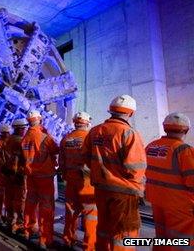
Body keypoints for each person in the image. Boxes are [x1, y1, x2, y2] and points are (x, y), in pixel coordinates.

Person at [82, 94, 146, 251]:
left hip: (101, 189)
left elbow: (85, 157)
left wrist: (101, 172)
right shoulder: (129, 133)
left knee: (103, 227)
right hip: (123, 192)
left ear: (110, 110)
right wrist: (139, 189)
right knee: (123, 233)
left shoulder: (95, 131)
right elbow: (136, 169)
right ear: (131, 113)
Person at [145, 112, 194, 250]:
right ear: (186, 130)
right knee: (181, 242)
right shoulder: (185, 151)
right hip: (180, 207)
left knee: (162, 238)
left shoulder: (151, 147)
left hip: (157, 201)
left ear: (165, 128)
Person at [21, 110, 59, 248]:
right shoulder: (44, 137)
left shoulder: (25, 138)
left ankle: (28, 230)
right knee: (46, 206)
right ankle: (45, 239)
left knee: (30, 204)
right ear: (40, 119)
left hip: (31, 176)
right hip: (44, 177)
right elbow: (55, 150)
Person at [59, 111, 96, 250]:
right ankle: (89, 246)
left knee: (70, 212)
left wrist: (65, 176)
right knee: (90, 214)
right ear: (87, 123)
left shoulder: (66, 139)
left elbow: (61, 162)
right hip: (87, 182)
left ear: (75, 122)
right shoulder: (90, 138)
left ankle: (68, 239)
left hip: (71, 181)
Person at [3, 118, 29, 233]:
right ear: (20, 129)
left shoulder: (7, 141)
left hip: (8, 174)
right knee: (20, 199)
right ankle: (19, 224)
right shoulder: (21, 142)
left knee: (9, 197)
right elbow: (26, 159)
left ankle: (10, 221)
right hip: (19, 175)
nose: (25, 130)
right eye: (24, 128)